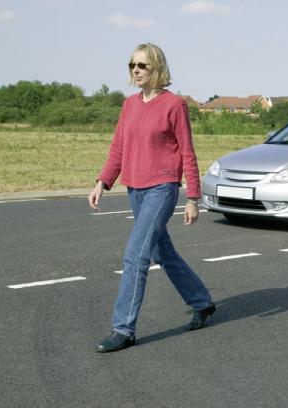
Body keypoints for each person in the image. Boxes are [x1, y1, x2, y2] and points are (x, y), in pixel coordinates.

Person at [88, 43, 215, 353]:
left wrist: (193, 197)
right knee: (162, 253)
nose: (136, 70)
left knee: (135, 255)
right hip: (135, 188)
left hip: (162, 188)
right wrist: (103, 182)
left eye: (142, 65)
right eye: (132, 64)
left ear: (157, 68)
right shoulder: (129, 105)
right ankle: (201, 301)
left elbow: (187, 152)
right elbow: (118, 148)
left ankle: (123, 328)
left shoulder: (174, 105)